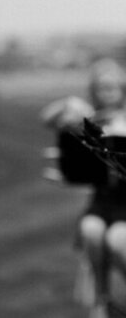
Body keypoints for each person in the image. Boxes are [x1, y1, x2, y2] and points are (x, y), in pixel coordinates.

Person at [41, 58, 126, 318]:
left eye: (113, 87)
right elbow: (47, 118)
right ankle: (102, 300)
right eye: (101, 87)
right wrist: (70, 103)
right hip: (103, 203)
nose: (107, 93)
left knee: (117, 240)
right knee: (91, 230)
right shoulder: (89, 121)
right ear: (93, 91)